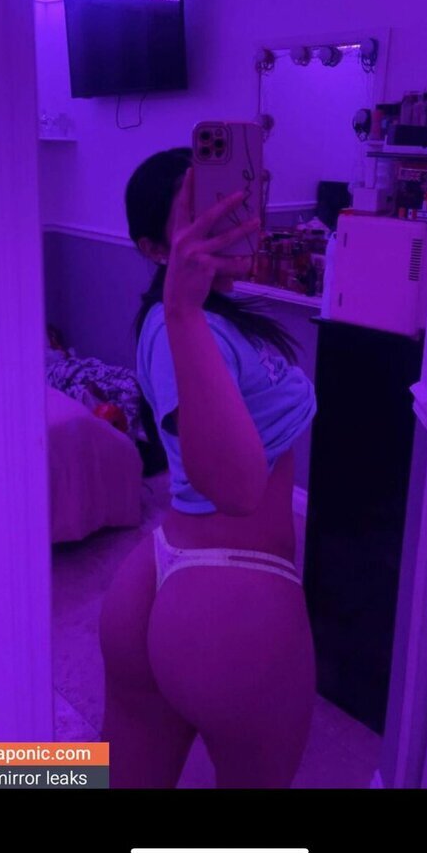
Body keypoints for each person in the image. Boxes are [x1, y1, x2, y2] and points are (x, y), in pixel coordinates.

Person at [99, 147, 317, 788]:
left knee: (117, 775)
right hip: (231, 595)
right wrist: (183, 311)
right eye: (196, 214)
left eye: (224, 203)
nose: (222, 223)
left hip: (166, 573)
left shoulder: (206, 320)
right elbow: (238, 488)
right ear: (154, 249)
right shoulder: (178, 327)